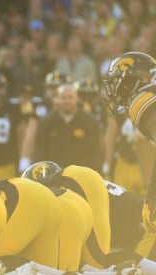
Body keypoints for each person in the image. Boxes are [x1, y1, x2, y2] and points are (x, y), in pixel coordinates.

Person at [101, 52, 156, 235]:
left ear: (134, 78)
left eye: (118, 81)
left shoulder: (143, 100)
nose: (115, 88)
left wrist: (153, 197)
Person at [34, 84, 103, 171]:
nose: (67, 101)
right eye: (63, 98)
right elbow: (39, 151)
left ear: (77, 98)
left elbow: (96, 151)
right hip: (54, 176)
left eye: (70, 97)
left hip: (81, 175)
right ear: (58, 99)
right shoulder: (46, 122)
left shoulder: (90, 122)